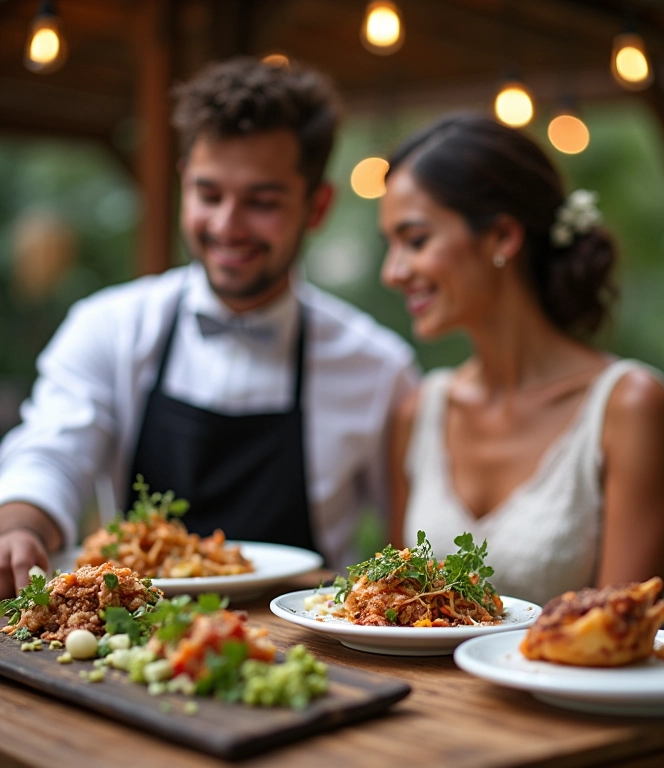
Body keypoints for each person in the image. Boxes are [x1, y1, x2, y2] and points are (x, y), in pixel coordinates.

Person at [0, 57, 418, 598]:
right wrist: (20, 525)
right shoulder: (109, 327)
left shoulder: (379, 367)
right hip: (125, 644)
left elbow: (405, 545)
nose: (226, 225)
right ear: (183, 186)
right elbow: (52, 450)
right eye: (209, 194)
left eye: (261, 202)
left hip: (309, 663)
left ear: (317, 207)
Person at [379, 112, 664, 607]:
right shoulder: (420, 411)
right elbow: (388, 607)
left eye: (415, 241)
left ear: (502, 238)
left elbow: (621, 630)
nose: (393, 271)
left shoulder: (628, 407)